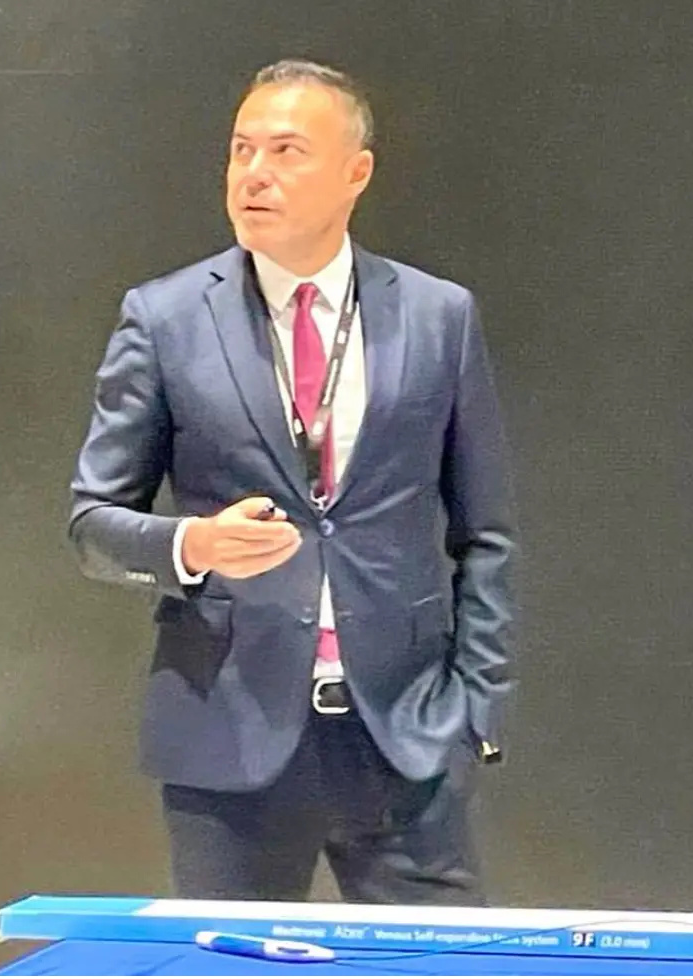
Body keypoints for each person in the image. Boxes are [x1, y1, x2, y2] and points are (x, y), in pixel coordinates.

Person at [69, 59, 518, 905]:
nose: (253, 173)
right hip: (228, 736)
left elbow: (485, 532)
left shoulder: (438, 316)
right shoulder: (164, 318)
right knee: (230, 960)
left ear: (356, 171)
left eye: (284, 151)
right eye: (240, 150)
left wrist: (475, 711)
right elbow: (92, 523)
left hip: (406, 739)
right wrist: (192, 544)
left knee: (440, 964)